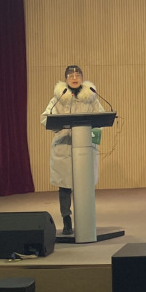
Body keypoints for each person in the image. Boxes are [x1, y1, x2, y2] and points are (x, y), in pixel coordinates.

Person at [40, 65, 104, 235]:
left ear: (82, 78)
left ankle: (86, 219)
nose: (74, 78)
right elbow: (45, 118)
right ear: (66, 79)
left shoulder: (91, 97)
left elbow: (101, 117)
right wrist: (59, 125)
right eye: (71, 75)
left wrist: (93, 133)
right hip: (65, 147)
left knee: (84, 186)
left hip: (84, 148)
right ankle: (66, 219)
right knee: (65, 187)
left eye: (78, 75)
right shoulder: (59, 97)